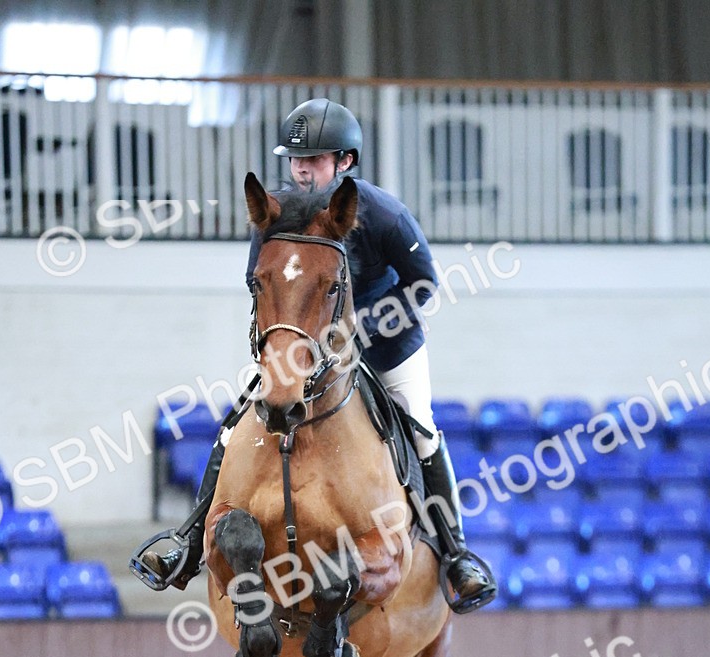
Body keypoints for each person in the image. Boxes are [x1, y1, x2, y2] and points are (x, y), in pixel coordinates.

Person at [135, 98, 495, 612]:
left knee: (420, 427)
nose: (301, 169)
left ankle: (457, 553)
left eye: (315, 159)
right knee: (232, 426)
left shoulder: (384, 213)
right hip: (305, 345)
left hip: (388, 343)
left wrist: (361, 330)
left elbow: (425, 284)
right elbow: (256, 280)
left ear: (345, 162)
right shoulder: (275, 215)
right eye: (295, 160)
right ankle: (191, 541)